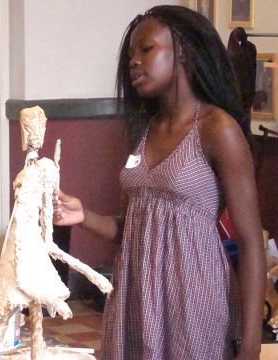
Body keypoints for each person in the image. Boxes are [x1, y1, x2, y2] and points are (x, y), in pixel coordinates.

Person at [53, 6, 265, 360]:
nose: (134, 62)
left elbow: (251, 243)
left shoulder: (216, 128)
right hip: (136, 301)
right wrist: (82, 215)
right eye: (131, 55)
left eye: (146, 49)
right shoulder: (144, 130)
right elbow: (132, 228)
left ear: (180, 50)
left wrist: (251, 346)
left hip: (194, 301)